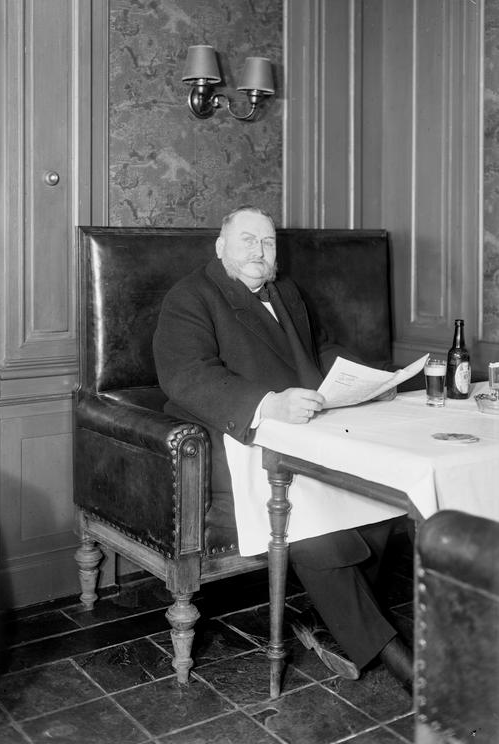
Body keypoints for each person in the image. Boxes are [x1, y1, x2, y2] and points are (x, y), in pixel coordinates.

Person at [153, 205, 413, 693]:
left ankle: (330, 621)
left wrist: (369, 380)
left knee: (378, 495)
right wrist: (268, 404)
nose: (260, 251)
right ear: (221, 247)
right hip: (231, 439)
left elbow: (320, 350)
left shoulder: (287, 290)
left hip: (304, 429)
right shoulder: (190, 296)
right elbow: (186, 376)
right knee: (307, 513)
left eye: (268, 242)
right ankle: (396, 657)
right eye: (248, 240)